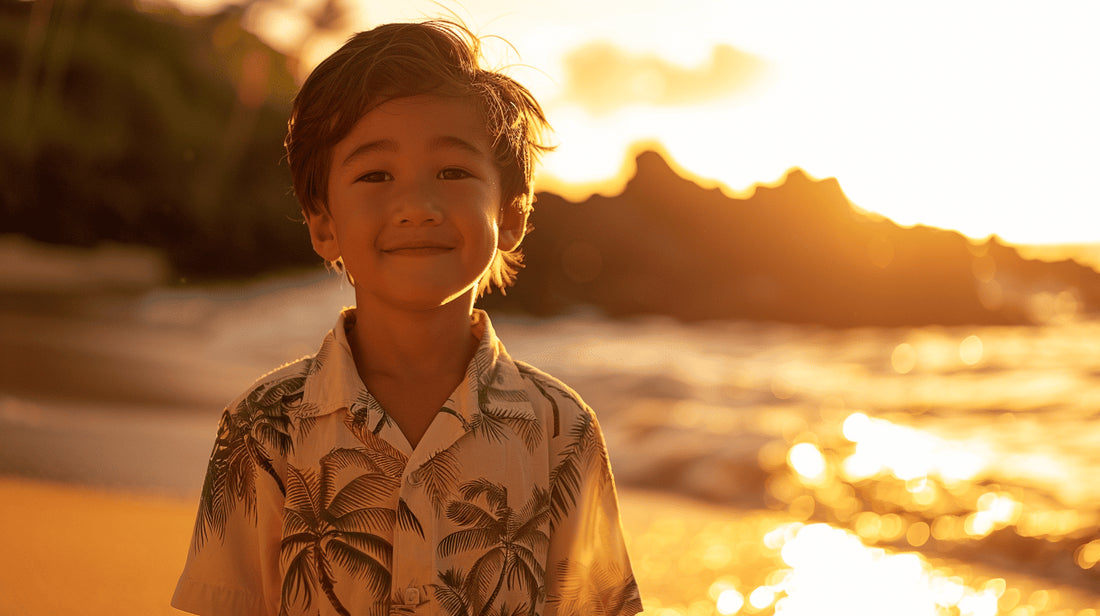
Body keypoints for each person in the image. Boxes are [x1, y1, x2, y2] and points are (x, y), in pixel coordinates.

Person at [171, 20, 642, 616]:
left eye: (452, 172)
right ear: (324, 226)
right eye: (375, 176)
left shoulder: (561, 431)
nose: (417, 207)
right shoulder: (262, 428)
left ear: (514, 215)